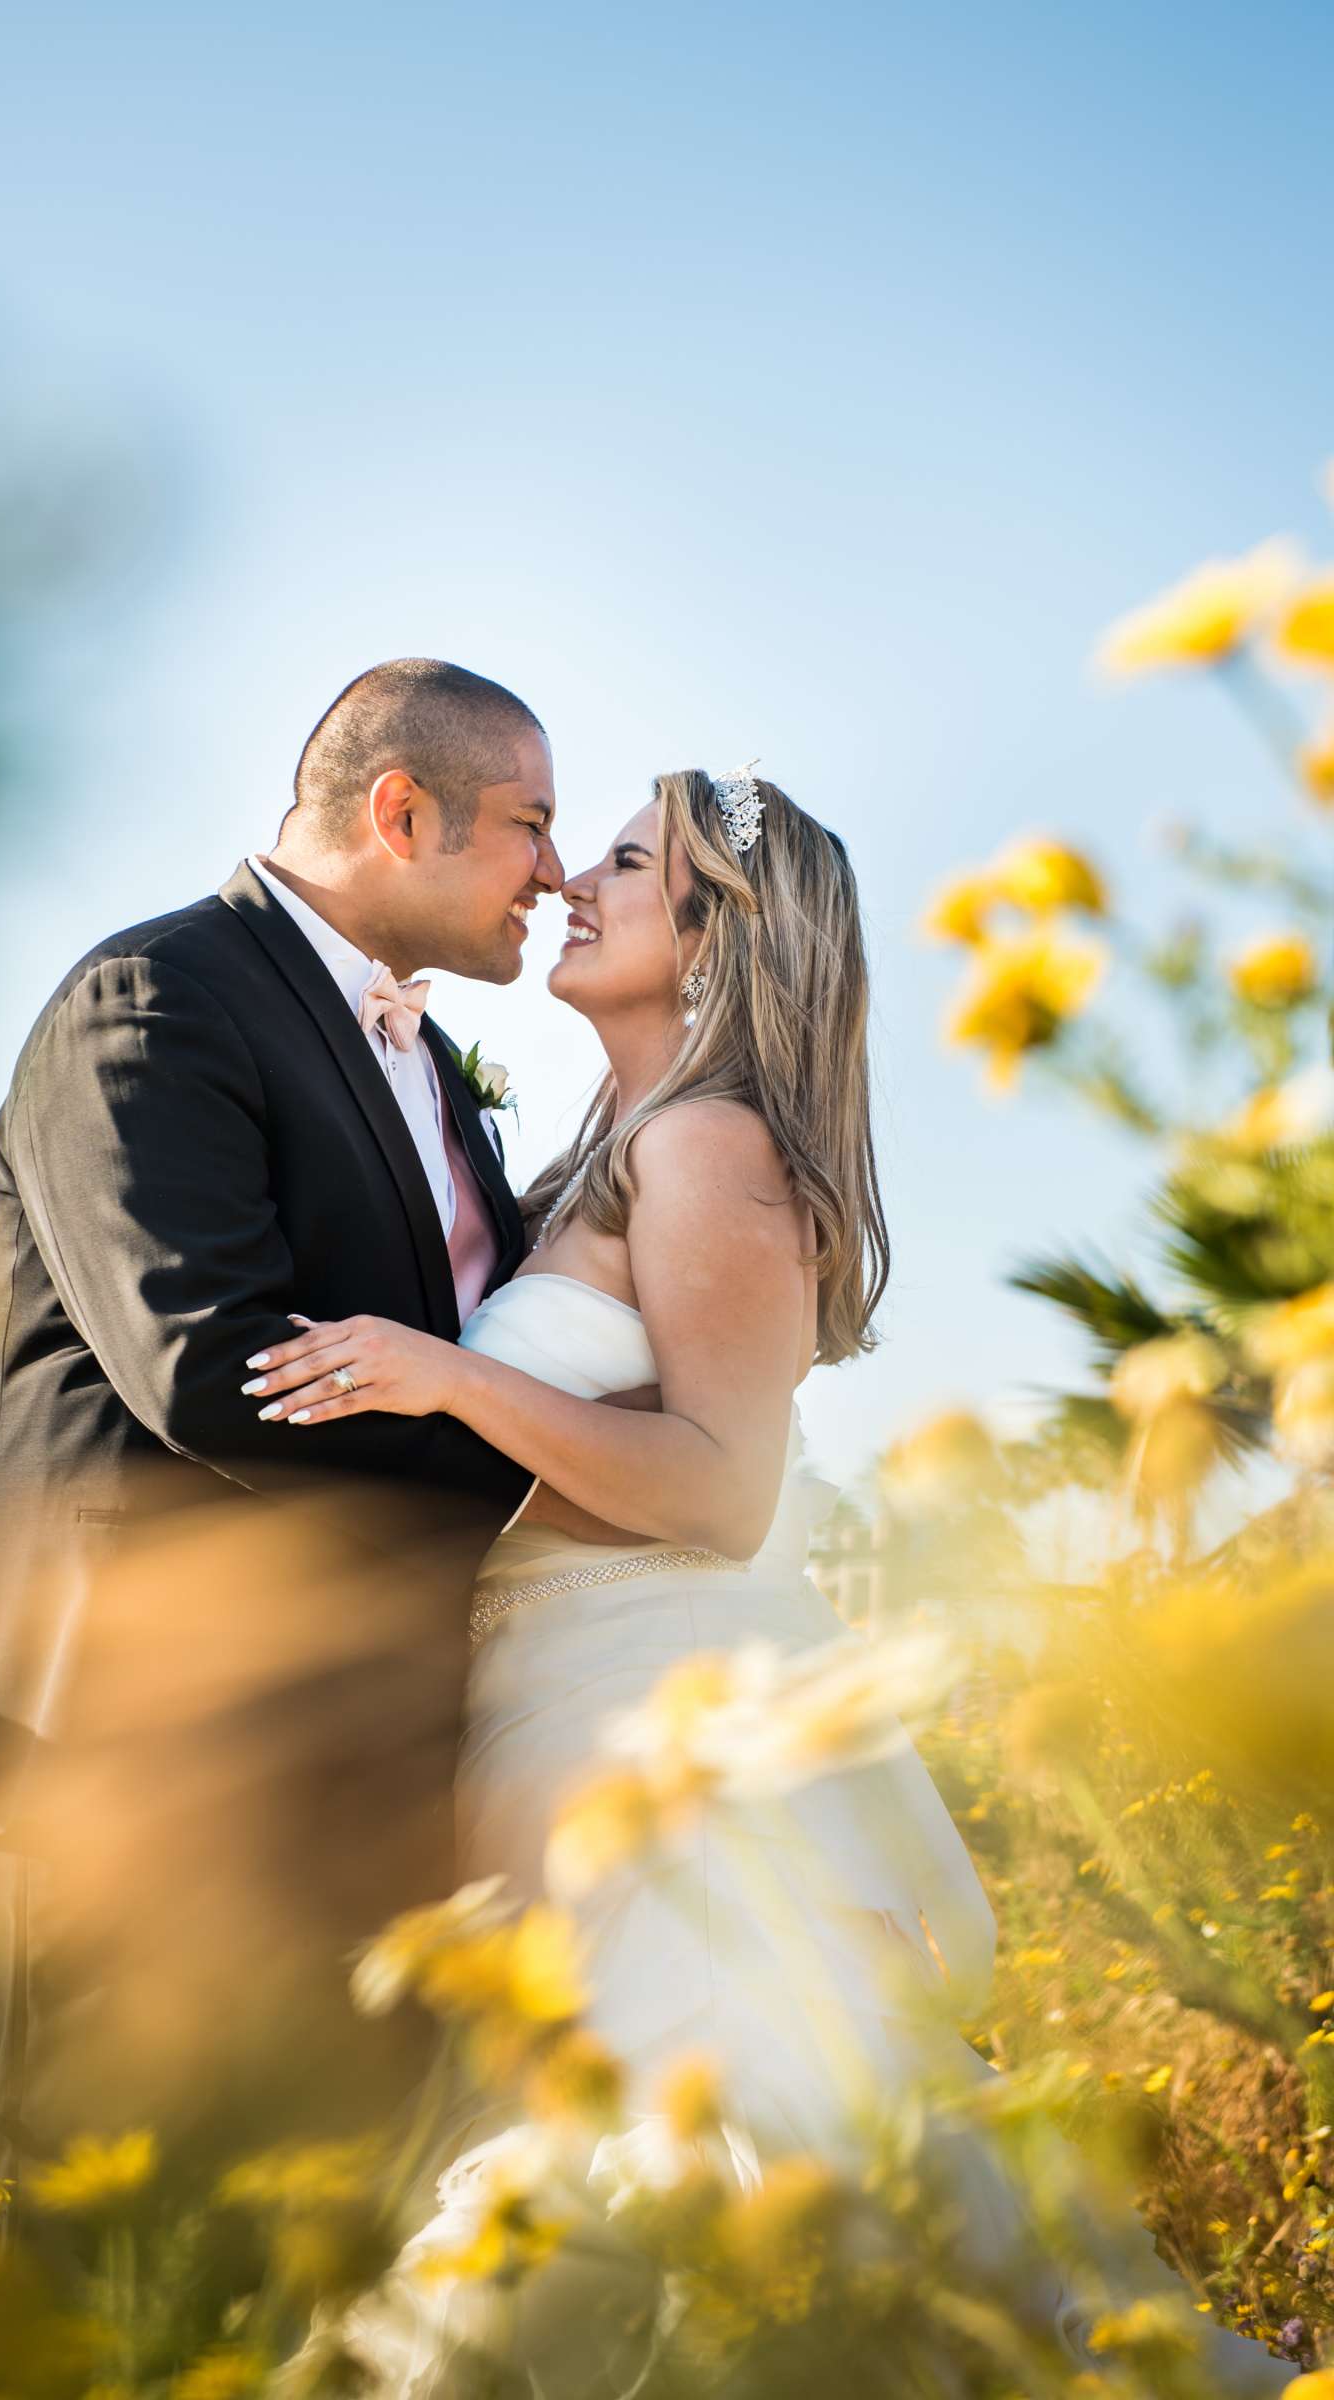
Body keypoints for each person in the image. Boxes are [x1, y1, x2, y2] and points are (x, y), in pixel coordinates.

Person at [244, 765, 1299, 2393]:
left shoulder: (712, 1145)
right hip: (548, 1701)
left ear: (718, 941)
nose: (570, 883)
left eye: (623, 860)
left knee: (700, 2122)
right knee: (618, 2143)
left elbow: (723, 1494)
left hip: (643, 1707)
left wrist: (451, 1381)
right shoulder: (616, 1146)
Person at [0, 658, 603, 2196]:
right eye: (530, 823)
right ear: (400, 810)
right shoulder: (155, 999)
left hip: (365, 1761)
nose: (555, 873)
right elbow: (211, 1365)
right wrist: (559, 1474)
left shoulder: (431, 1064)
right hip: (136, 1742)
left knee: (321, 2255)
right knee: (125, 2249)